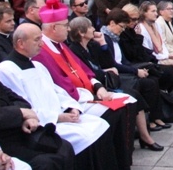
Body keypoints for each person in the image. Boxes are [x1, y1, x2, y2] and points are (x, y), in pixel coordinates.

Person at [0, 23, 115, 170]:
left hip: (61, 116)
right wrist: (58, 117)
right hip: (46, 124)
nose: (41, 43)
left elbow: (57, 91)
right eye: (37, 39)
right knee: (86, 137)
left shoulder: (38, 65)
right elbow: (22, 106)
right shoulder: (6, 70)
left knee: (101, 124)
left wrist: (71, 107)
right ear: (21, 43)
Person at [66, 15, 164, 151]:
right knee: (133, 94)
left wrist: (102, 44)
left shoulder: (92, 45)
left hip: (106, 81)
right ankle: (141, 137)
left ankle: (145, 136)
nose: (94, 29)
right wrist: (106, 71)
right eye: (90, 27)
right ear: (81, 33)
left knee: (137, 93)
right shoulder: (74, 50)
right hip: (96, 87)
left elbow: (108, 63)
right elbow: (89, 72)